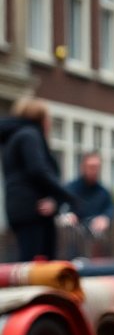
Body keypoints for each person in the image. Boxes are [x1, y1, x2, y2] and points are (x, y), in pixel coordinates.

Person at [1, 98, 78, 262]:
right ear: (42, 119)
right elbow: (38, 170)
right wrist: (66, 195)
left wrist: (54, 201)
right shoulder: (30, 135)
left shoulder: (13, 137)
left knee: (28, 261)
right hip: (34, 212)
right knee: (38, 264)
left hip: (20, 210)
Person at [63, 153, 114, 237]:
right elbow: (63, 207)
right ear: (83, 167)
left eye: (97, 167)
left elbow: (111, 208)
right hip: (73, 240)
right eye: (91, 167)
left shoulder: (104, 192)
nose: (94, 171)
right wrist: (68, 215)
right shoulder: (70, 189)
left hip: (96, 242)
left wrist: (105, 217)